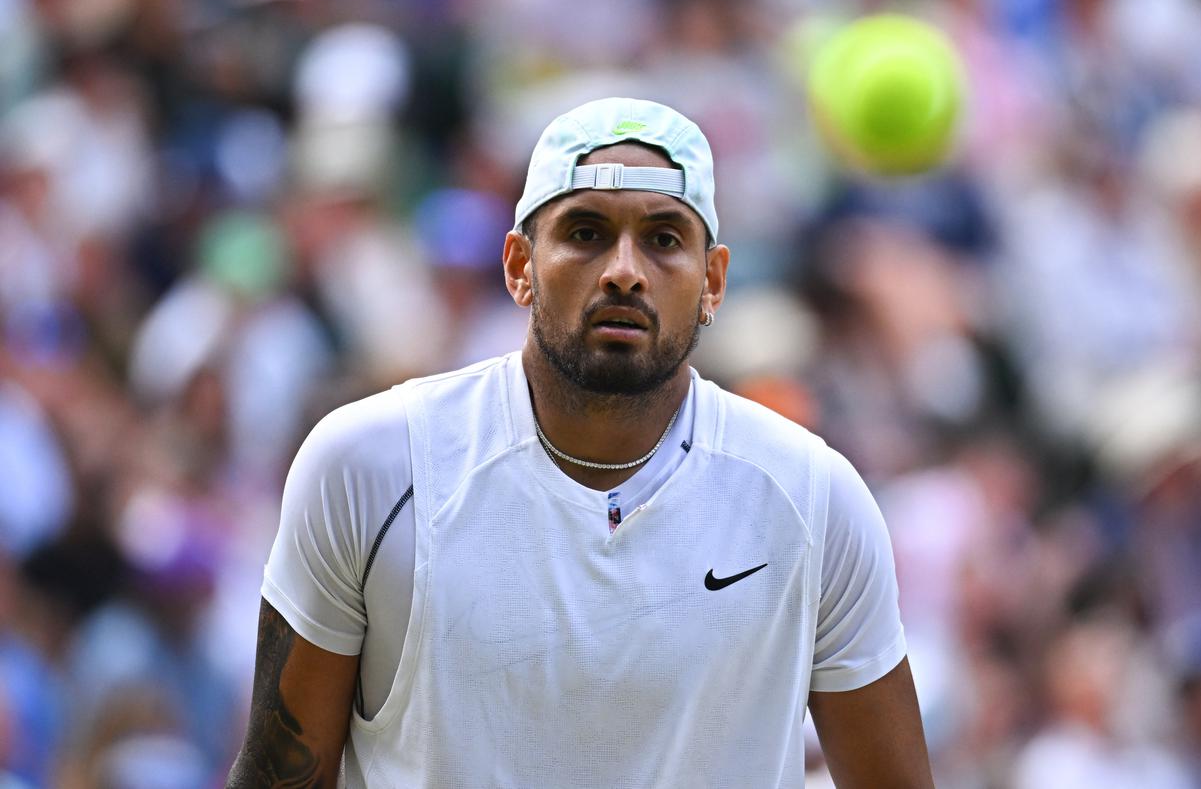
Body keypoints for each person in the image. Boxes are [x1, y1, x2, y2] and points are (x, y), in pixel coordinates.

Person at [227, 98, 933, 788]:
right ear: (518, 265)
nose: (624, 270)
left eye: (663, 239)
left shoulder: (814, 497)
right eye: (586, 232)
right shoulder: (370, 467)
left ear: (714, 281)